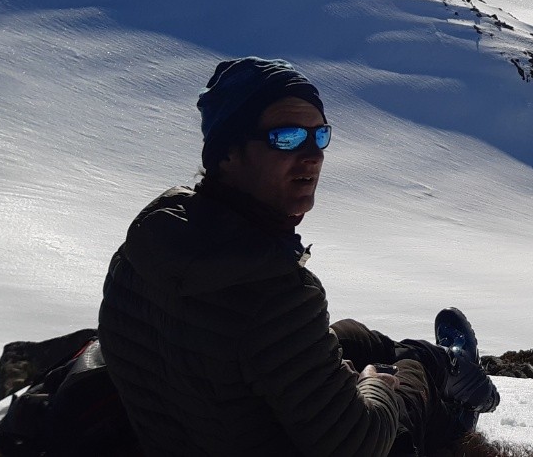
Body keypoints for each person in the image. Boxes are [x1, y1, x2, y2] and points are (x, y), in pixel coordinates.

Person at [98, 57, 498, 456]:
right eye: (286, 137)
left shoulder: (145, 244)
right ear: (227, 154)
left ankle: (445, 373)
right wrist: (379, 384)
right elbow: (358, 443)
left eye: (319, 135)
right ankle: (451, 385)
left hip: (197, 425)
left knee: (354, 336)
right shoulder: (275, 292)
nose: (313, 155)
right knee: (412, 371)